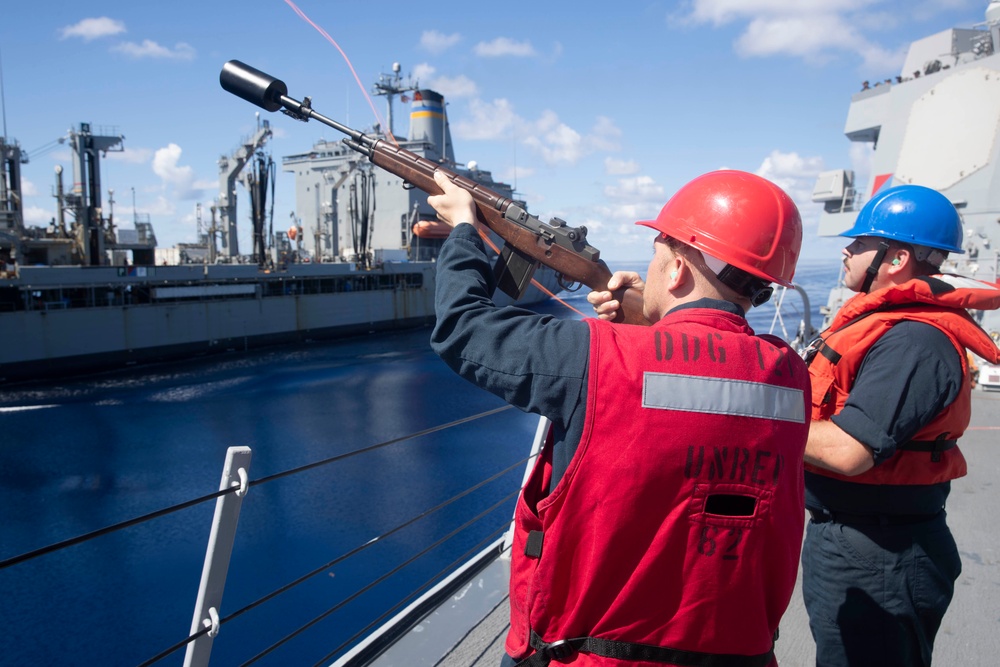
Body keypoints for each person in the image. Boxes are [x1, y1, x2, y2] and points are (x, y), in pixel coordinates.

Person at [427, 168, 811, 667]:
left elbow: (462, 328)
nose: (649, 265)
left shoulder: (600, 356)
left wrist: (463, 229)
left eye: (656, 251)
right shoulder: (789, 374)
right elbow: (707, 372)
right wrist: (654, 321)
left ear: (676, 270)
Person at [798, 184, 1000, 667]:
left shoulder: (915, 342)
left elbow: (850, 451)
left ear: (895, 259)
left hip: (881, 556)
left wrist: (745, 410)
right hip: (856, 541)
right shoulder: (892, 327)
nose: (847, 250)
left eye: (861, 242)